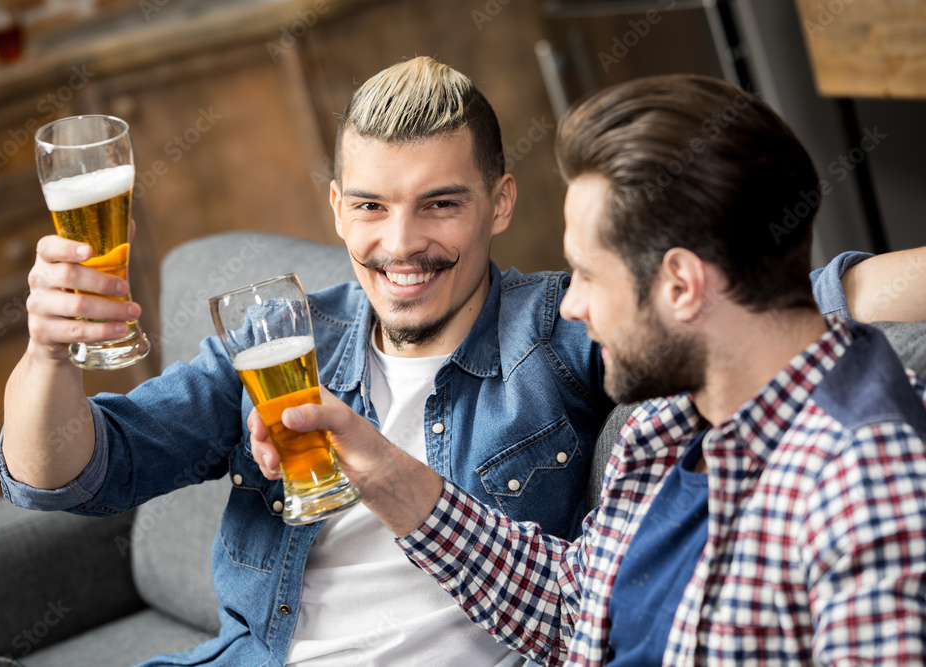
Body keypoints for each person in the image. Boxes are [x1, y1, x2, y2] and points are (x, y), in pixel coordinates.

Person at [0, 58, 917, 666]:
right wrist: (47, 349)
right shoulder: (281, 340)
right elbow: (72, 477)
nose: (400, 243)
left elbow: (795, 295)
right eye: (369, 207)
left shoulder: (567, 334)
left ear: (499, 201)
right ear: (336, 208)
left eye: (440, 204)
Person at [253, 73, 926, 666]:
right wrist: (386, 473)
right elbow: (577, 606)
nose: (570, 304)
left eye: (588, 275)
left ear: (683, 287)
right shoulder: (669, 420)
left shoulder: (860, 479)